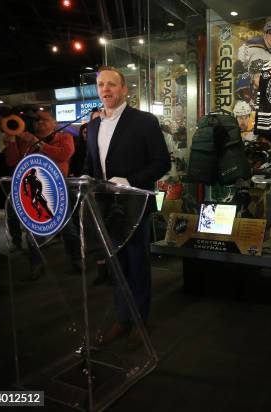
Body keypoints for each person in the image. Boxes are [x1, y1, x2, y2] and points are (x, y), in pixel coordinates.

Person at [85, 66, 170, 345]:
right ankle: (123, 318)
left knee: (137, 264)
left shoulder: (144, 121)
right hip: (106, 206)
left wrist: (130, 180)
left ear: (124, 90)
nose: (105, 90)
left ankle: (139, 321)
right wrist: (86, 178)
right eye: (101, 85)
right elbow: (91, 162)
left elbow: (162, 163)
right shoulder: (94, 124)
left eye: (111, 84)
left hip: (134, 204)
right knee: (117, 266)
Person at [6, 110, 75, 279]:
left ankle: (76, 258)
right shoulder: (25, 139)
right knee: (33, 229)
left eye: (44, 120)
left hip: (57, 188)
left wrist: (38, 143)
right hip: (33, 188)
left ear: (54, 123)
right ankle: (36, 264)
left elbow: (63, 154)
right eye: (37, 120)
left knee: (68, 227)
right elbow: (12, 161)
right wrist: (12, 142)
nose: (39, 123)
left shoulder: (65, 137)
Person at [0, 135, 22, 251]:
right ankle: (17, 241)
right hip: (8, 190)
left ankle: (21, 241)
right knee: (12, 217)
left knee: (16, 217)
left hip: (17, 189)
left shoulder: (22, 154)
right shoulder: (0, 157)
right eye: (7, 142)